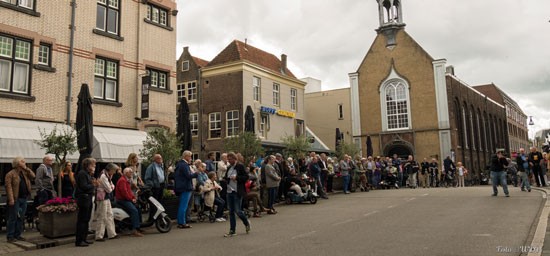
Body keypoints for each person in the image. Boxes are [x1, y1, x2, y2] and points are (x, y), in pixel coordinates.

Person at [5, 156, 35, 243]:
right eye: (23, 161)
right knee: (13, 217)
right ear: (18, 163)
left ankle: (18, 235)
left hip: (24, 198)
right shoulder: (10, 174)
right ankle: (10, 236)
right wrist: (11, 199)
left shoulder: (24, 173)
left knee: (20, 217)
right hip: (15, 199)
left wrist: (26, 168)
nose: (24, 162)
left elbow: (33, 176)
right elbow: (9, 187)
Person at [223, 152, 251, 237]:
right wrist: (224, 179)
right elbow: (226, 177)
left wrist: (237, 178)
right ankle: (232, 230)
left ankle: (246, 222)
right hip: (229, 191)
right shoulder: (229, 168)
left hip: (237, 191)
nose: (229, 160)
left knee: (238, 211)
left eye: (230, 159)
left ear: (235, 159)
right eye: (228, 159)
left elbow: (246, 177)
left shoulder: (240, 166)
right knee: (231, 212)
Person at [75, 158, 100, 247]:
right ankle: (79, 240)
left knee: (86, 219)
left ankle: (84, 239)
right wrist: (93, 184)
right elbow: (84, 186)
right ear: (88, 165)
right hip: (83, 198)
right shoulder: (82, 174)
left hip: (88, 197)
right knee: (82, 219)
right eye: (93, 165)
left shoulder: (87, 174)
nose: (94, 167)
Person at [115, 167, 143, 237]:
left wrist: (133, 197)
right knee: (134, 211)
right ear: (126, 173)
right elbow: (124, 193)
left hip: (126, 199)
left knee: (138, 208)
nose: (132, 173)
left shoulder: (127, 180)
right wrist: (131, 199)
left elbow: (129, 191)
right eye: (130, 172)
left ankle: (138, 226)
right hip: (122, 200)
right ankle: (134, 230)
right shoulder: (122, 181)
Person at [174, 150, 198, 229]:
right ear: (186, 157)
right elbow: (188, 176)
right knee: (183, 206)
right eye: (190, 156)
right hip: (185, 187)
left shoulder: (179, 164)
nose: (191, 158)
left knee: (182, 205)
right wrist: (196, 173)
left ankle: (180, 221)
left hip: (181, 187)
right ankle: (182, 223)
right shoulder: (184, 165)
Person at [94, 163, 118, 241]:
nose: (114, 172)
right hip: (102, 198)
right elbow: (109, 189)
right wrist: (111, 186)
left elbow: (111, 186)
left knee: (109, 214)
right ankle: (99, 235)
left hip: (106, 197)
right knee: (102, 216)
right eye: (114, 170)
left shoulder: (107, 175)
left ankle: (112, 233)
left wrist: (111, 186)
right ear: (110, 169)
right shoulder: (103, 176)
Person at [144, 154, 165, 221]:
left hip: (161, 186)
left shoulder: (161, 166)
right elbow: (147, 178)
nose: (161, 159)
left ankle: (158, 218)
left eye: (161, 158)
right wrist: (152, 185)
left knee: (160, 203)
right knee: (154, 203)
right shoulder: (151, 167)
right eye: (159, 158)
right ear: (155, 159)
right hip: (155, 187)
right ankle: (152, 219)